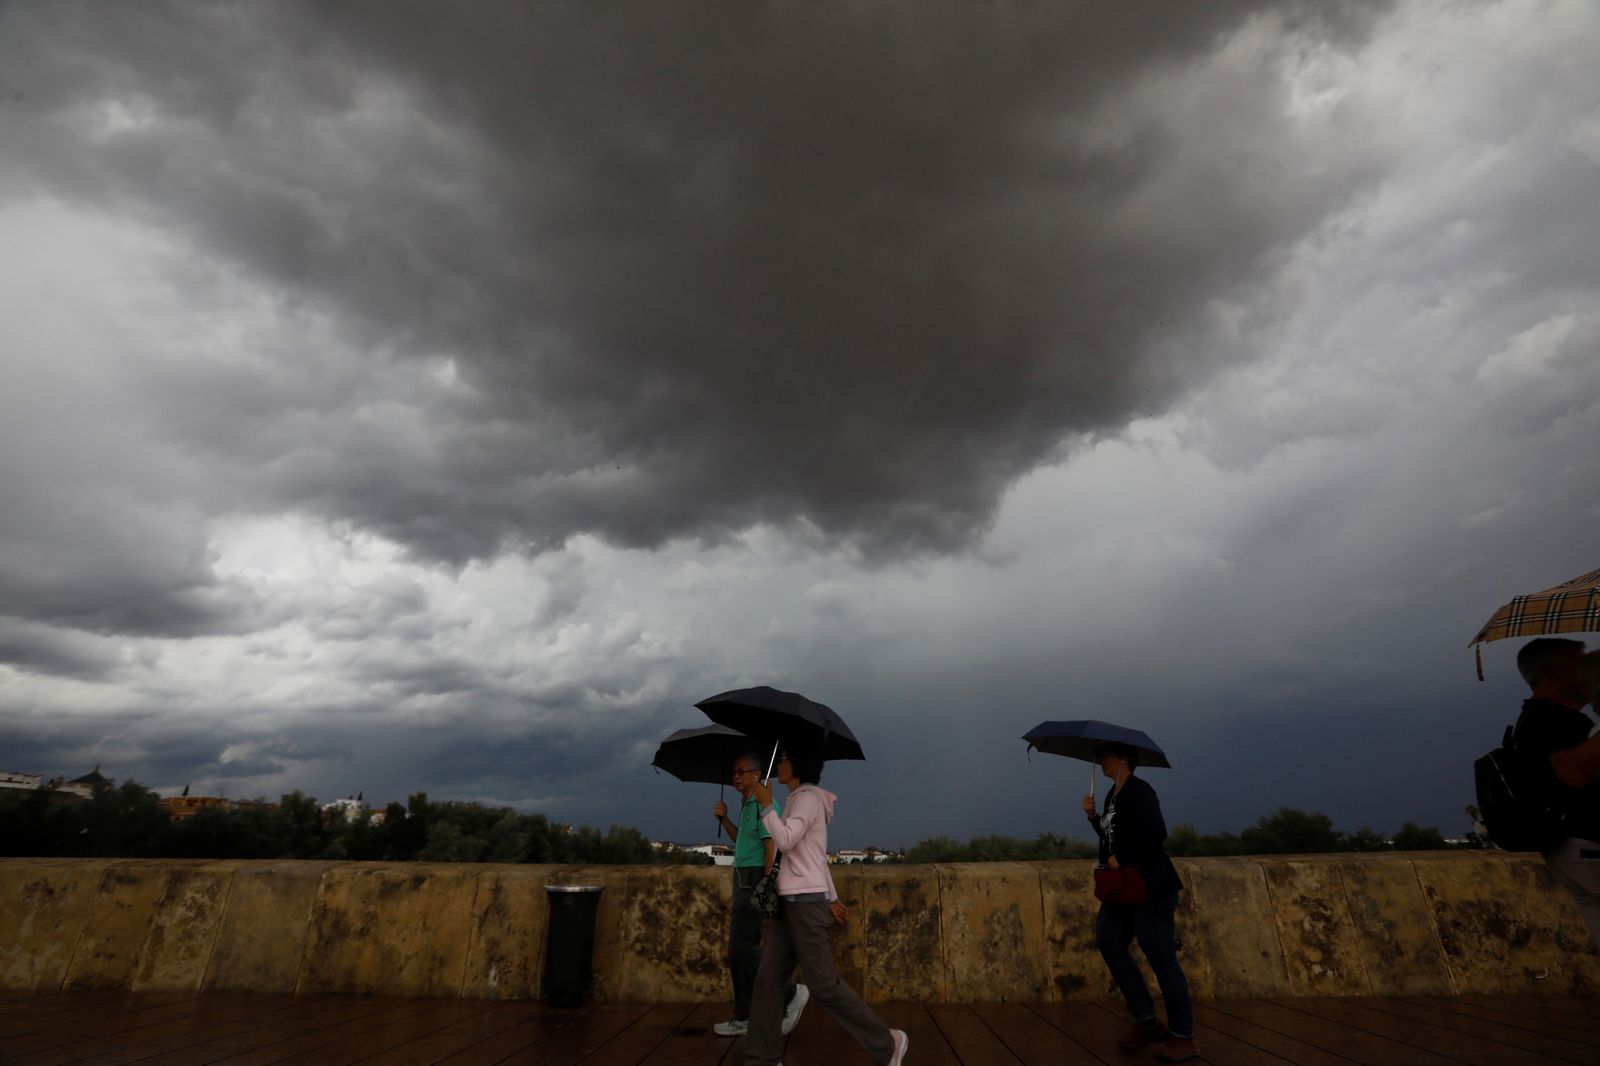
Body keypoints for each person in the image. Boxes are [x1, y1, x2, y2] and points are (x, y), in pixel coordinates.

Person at [746, 744, 909, 1066]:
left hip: (805, 903)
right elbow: (815, 856)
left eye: (783, 759)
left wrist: (766, 806)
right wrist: (832, 898)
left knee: (821, 983)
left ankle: (887, 1042)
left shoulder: (807, 799)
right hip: (790, 902)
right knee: (768, 981)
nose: (779, 765)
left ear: (798, 763)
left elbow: (786, 840)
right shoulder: (795, 799)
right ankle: (762, 1058)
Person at [1082, 742, 1196, 1063]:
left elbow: (1156, 832)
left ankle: (1183, 1036)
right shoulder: (1112, 795)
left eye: (1104, 755)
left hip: (1151, 888)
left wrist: (1125, 857)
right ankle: (1146, 1021)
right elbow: (1111, 836)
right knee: (1109, 943)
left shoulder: (1140, 791)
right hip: (1122, 889)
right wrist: (1093, 817)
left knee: (1162, 958)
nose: (1099, 760)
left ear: (1123, 759)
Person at [710, 752, 808, 1037]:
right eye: (734, 772)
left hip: (753, 878)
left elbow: (771, 848)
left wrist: (767, 885)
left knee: (743, 948)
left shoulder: (765, 805)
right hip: (743, 877)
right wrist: (724, 819)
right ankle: (743, 1015)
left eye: (741, 772)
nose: (736, 777)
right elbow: (740, 839)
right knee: (737, 951)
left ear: (756, 775)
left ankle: (790, 993)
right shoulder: (747, 805)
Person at [1512, 638, 1600, 948]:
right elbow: (1572, 772)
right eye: (1580, 662)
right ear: (1551, 673)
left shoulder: (1540, 719)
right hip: (1588, 843)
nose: (1588, 668)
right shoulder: (1549, 720)